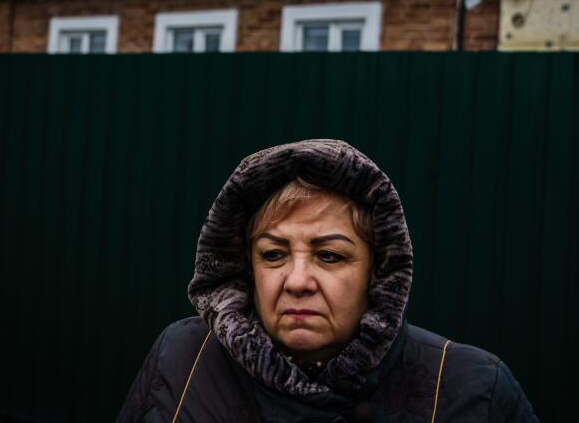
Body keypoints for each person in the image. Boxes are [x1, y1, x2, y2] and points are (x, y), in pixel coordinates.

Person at [117, 139, 538, 422]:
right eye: (273, 254)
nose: (297, 281)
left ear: (379, 271)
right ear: (247, 266)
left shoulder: (469, 388)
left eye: (330, 256)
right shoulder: (182, 358)